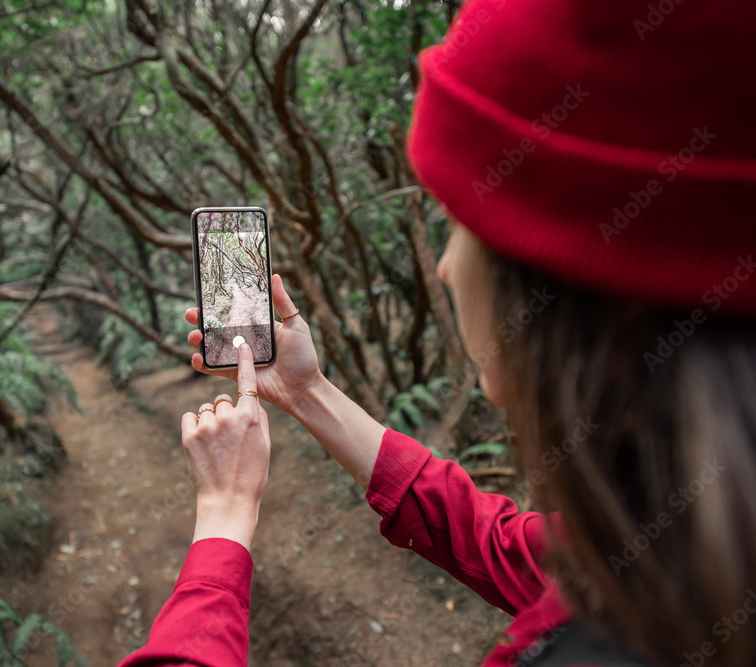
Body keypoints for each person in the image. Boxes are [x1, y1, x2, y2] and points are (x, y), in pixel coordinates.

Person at [118, 0, 756, 664]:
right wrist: (306, 391)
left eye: (460, 223)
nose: (446, 268)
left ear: (558, 282)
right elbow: (505, 546)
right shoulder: (677, 553)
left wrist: (224, 514)